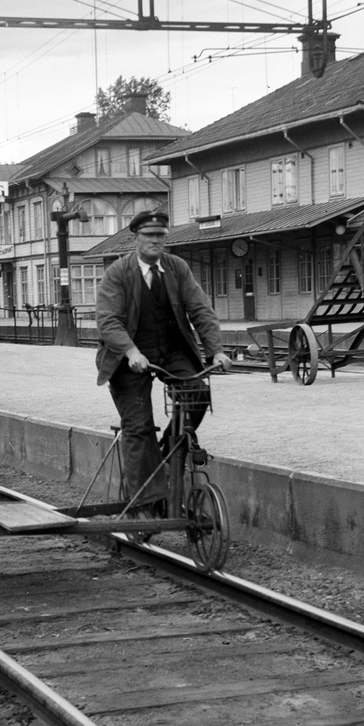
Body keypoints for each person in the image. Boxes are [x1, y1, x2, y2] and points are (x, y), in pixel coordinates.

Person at [95, 211, 230, 512]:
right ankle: (145, 500)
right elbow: (108, 321)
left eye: (160, 236)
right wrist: (131, 352)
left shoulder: (177, 268)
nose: (156, 241)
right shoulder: (118, 273)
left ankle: (168, 451)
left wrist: (217, 350)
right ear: (136, 238)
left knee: (197, 394)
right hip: (128, 356)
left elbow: (201, 311)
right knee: (138, 425)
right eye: (149, 236)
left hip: (170, 352)